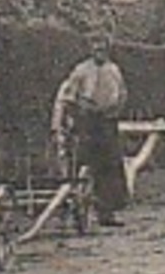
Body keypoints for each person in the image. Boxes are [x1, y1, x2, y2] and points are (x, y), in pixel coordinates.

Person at [56, 32, 130, 227]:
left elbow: (122, 94)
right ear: (90, 50)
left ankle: (107, 212)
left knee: (111, 164)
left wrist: (115, 109)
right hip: (87, 122)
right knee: (87, 163)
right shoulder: (81, 71)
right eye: (96, 49)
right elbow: (69, 97)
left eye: (104, 49)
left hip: (108, 121)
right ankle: (80, 208)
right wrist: (78, 115)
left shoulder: (114, 70)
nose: (100, 53)